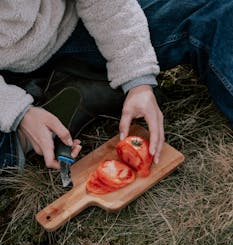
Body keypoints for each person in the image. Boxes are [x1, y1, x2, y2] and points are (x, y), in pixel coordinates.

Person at [0, 0, 232, 171]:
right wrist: (17, 112)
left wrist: (137, 78)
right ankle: (28, 129)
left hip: (65, 26)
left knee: (211, 8)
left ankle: (77, 86)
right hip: (6, 69)